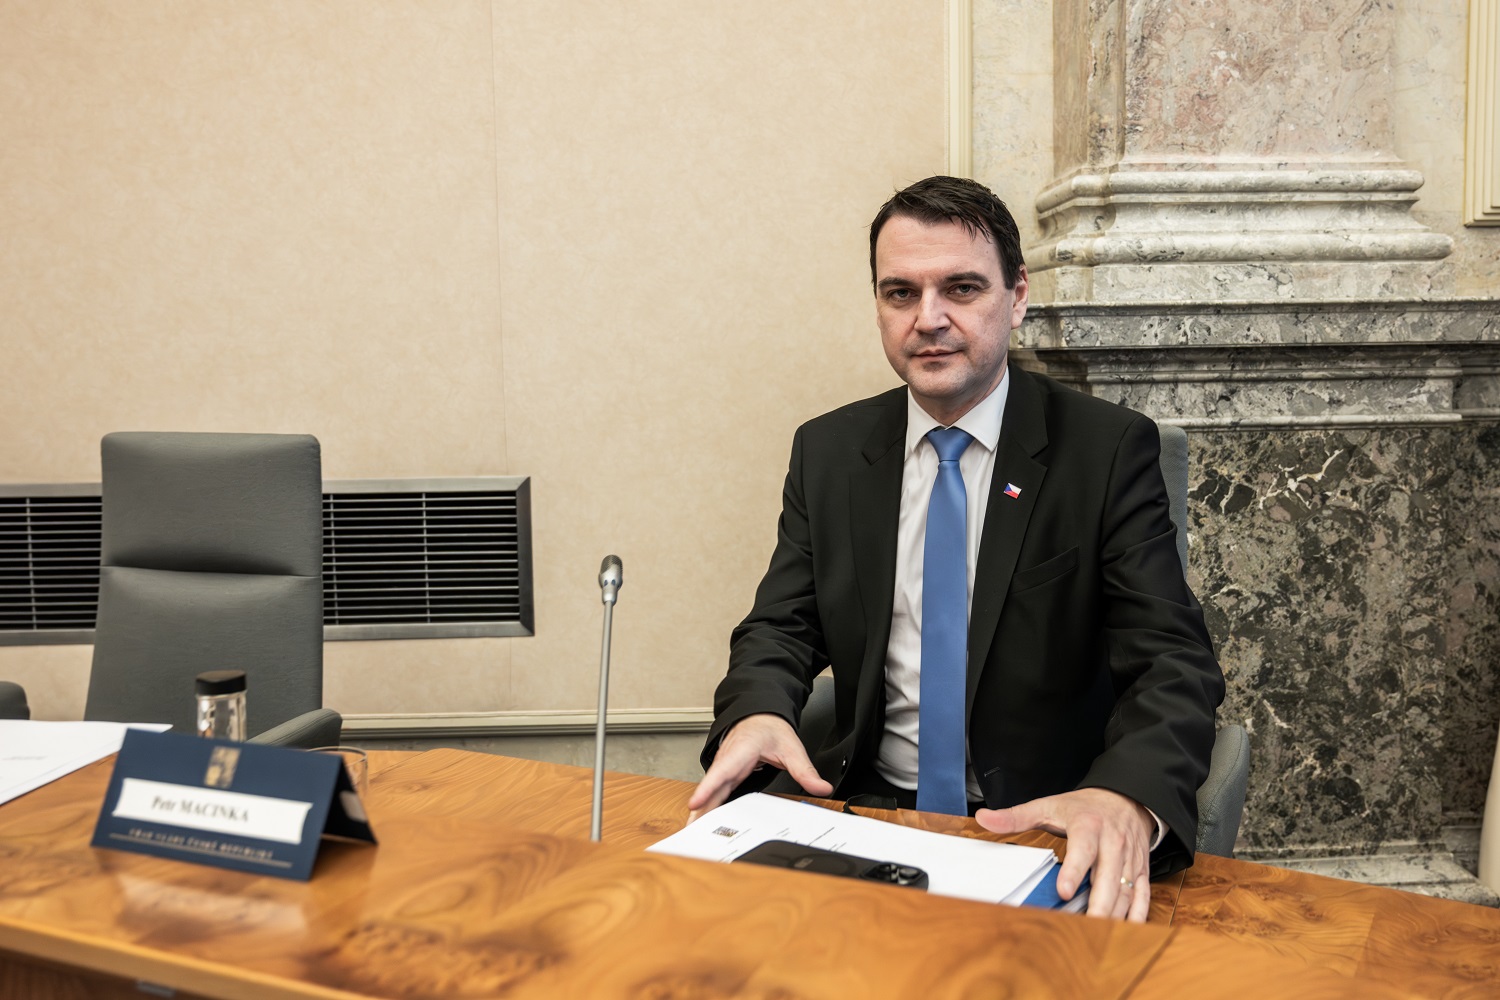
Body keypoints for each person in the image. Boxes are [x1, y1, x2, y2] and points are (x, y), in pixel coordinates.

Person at [687, 175, 1224, 923]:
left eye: (962, 288)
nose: (928, 319)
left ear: (1017, 296)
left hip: (1039, 823)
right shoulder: (829, 451)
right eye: (900, 293)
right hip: (863, 815)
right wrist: (756, 713)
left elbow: (1171, 660)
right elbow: (782, 625)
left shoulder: (1104, 451)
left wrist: (1124, 795)